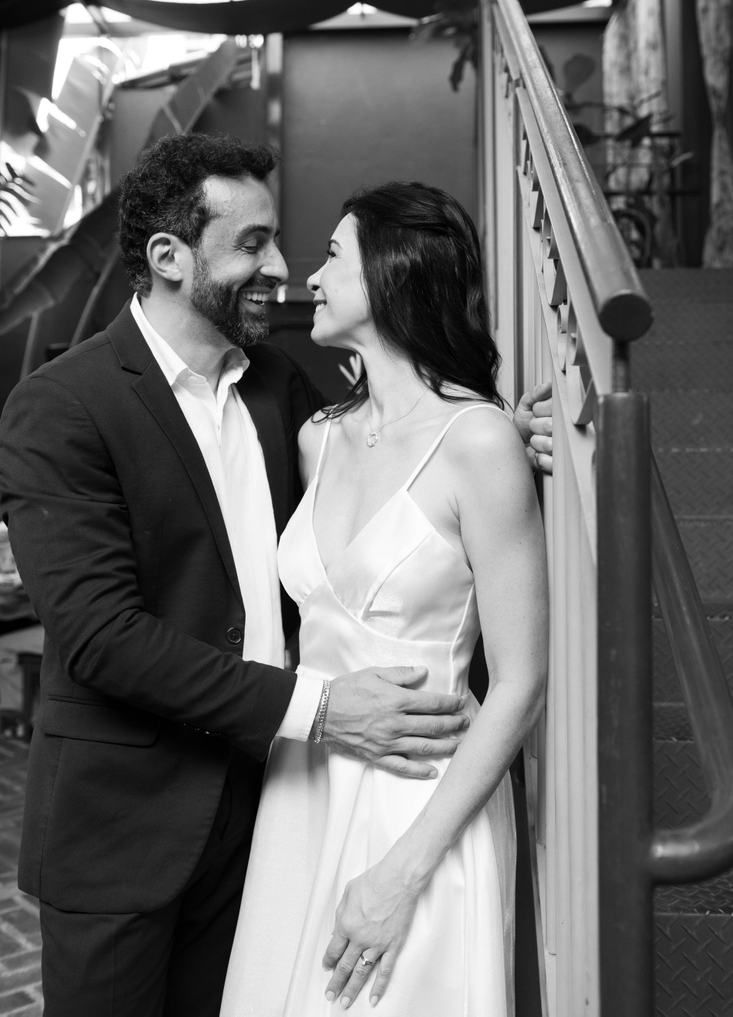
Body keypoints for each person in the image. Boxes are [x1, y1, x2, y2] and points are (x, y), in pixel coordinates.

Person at [0, 135, 551, 1017]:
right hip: (128, 825)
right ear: (170, 257)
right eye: (252, 243)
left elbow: (396, 474)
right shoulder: (62, 406)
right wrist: (322, 711)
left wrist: (505, 439)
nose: (282, 269)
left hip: (271, 812)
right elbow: (102, 639)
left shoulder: (277, 390)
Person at [220, 182, 549, 1016]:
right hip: (301, 788)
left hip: (423, 799)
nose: (309, 277)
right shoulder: (316, 437)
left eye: (333, 255)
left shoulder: (480, 442)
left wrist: (402, 873)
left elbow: (520, 683)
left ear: (393, 273)